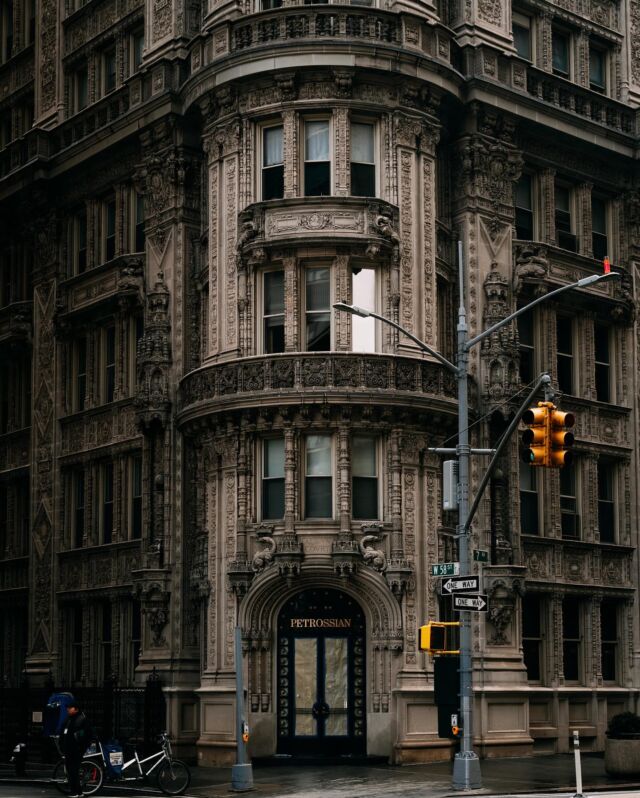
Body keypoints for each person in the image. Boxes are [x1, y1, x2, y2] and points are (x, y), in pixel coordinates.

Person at [60, 700, 92, 798]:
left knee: (73, 771)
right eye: (67, 708)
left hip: (76, 750)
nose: (68, 709)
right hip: (68, 749)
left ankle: (74, 792)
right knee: (71, 771)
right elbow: (63, 731)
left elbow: (88, 736)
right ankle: (78, 792)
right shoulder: (69, 719)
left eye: (70, 708)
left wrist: (81, 748)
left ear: (76, 709)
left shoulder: (82, 719)